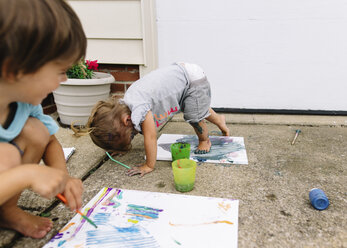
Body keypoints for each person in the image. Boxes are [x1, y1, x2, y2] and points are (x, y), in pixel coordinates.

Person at [0, 0, 86, 238]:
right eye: (60, 71)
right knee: (5, 156)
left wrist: (62, 177)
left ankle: (6, 211)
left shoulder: (25, 102)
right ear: (15, 70)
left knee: (37, 131)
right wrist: (27, 174)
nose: (65, 79)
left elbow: (48, 141)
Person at [88, 62, 230, 177]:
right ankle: (220, 120)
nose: (133, 136)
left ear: (126, 121)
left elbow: (150, 137)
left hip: (191, 81)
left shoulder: (139, 109)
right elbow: (136, 127)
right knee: (198, 108)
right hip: (182, 78)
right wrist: (118, 147)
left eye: (130, 136)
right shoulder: (127, 106)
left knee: (194, 117)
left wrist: (149, 165)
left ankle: (204, 140)